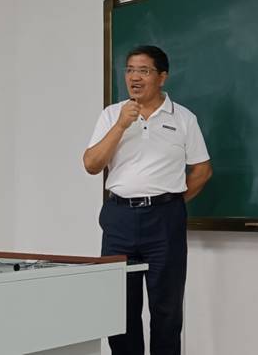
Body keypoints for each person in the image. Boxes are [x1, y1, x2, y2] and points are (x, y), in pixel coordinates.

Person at [83, 45, 213, 355]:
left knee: (166, 309)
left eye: (144, 71)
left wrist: (171, 201)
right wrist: (120, 126)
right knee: (119, 309)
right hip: (119, 218)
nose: (134, 77)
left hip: (164, 220)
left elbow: (202, 170)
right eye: (129, 70)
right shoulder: (112, 114)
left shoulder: (183, 118)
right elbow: (91, 164)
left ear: (162, 77)